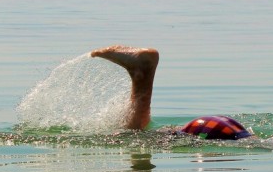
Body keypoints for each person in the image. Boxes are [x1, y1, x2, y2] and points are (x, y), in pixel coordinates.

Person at [90, 45, 253, 139]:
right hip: (223, 131)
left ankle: (142, 73)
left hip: (226, 129)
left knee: (136, 135)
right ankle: (142, 72)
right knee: (135, 136)